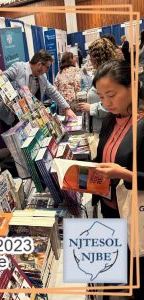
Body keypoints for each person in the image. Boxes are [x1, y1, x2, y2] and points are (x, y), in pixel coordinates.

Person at [92, 59, 144, 299]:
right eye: (100, 97)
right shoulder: (110, 120)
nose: (106, 103)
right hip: (111, 209)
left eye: (111, 94)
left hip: (136, 215)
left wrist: (124, 174)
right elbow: (101, 158)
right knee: (114, 270)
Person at [0, 50, 77, 120]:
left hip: (28, 117)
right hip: (10, 115)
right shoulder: (19, 67)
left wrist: (67, 108)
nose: (47, 70)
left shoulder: (42, 76)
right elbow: (3, 77)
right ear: (39, 64)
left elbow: (53, 92)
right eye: (47, 67)